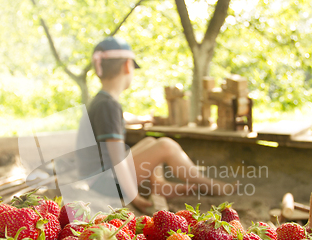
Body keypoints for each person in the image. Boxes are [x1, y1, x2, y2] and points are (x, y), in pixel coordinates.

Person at [76, 37, 233, 213]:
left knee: (150, 141)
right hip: (104, 183)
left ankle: (159, 185)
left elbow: (118, 120)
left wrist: (143, 119)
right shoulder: (109, 105)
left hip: (97, 177)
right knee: (165, 146)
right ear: (127, 66)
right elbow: (116, 156)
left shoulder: (102, 100)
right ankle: (208, 184)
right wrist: (132, 196)